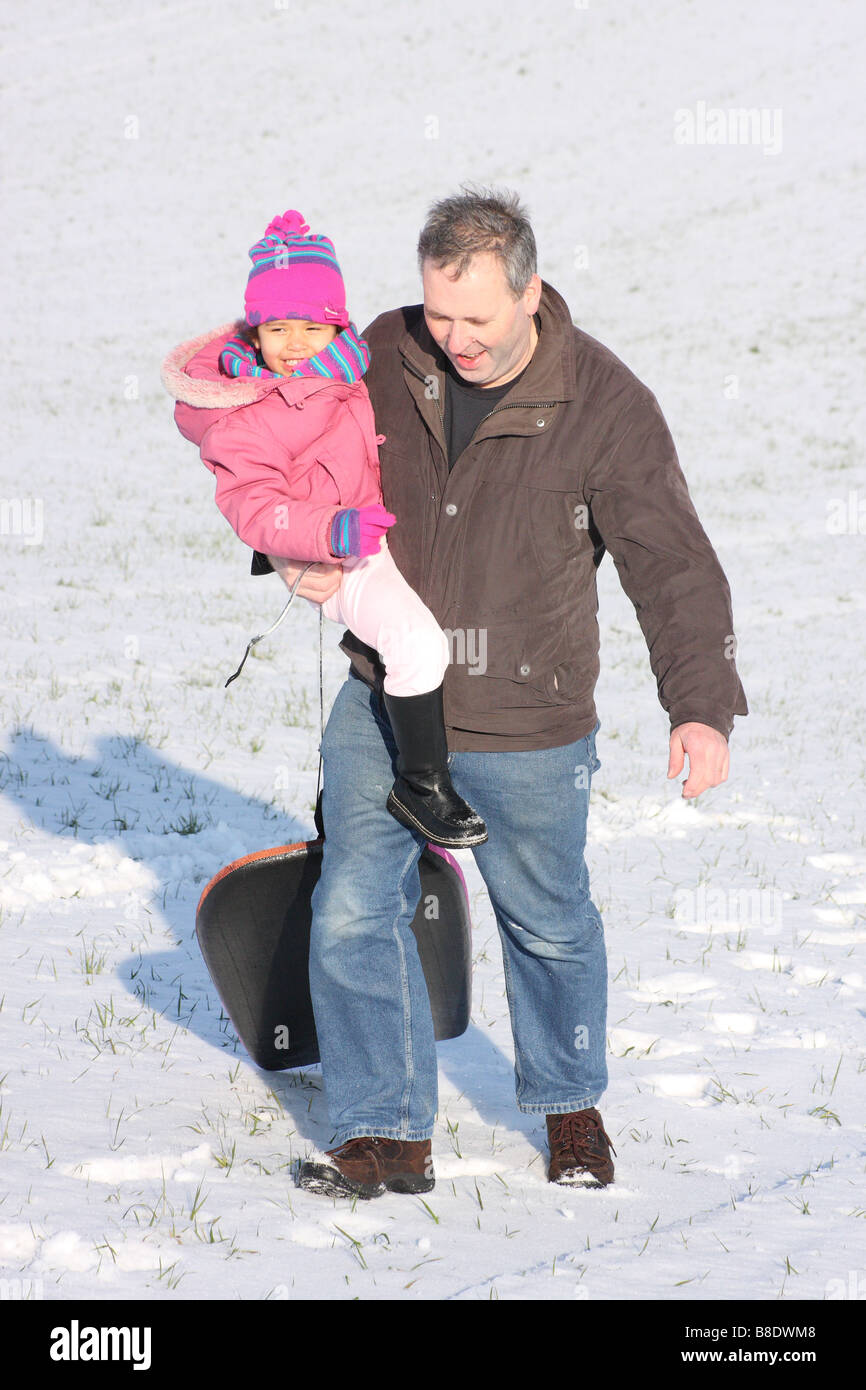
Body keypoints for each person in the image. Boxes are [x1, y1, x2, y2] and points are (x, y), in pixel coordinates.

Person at [277, 186, 748, 1200]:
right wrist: (292, 554)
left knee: (546, 921)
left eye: (477, 319)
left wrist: (699, 703)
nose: (454, 339)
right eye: (438, 315)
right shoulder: (381, 354)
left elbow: (670, 562)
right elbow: (299, 463)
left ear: (529, 292)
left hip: (526, 719)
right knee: (354, 908)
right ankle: (381, 1131)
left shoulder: (603, 403)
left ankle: (568, 1101)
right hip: (380, 697)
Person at [161, 209, 487, 850]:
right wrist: (328, 532)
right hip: (340, 554)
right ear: (255, 331)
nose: (295, 342)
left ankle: (354, 789)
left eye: (312, 326)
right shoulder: (247, 411)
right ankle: (422, 784)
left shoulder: (345, 370)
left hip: (376, 531)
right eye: (278, 328)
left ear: (335, 324)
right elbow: (253, 506)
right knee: (418, 643)